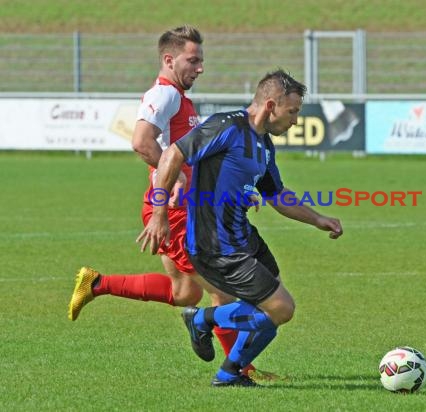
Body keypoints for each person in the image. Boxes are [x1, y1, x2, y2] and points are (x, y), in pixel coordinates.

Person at [67, 25, 264, 377]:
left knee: (186, 292)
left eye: (202, 60)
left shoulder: (178, 98)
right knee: (222, 290)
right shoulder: (165, 95)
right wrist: (175, 183)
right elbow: (142, 142)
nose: (200, 68)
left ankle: (97, 283)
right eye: (193, 60)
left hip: (181, 207)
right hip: (174, 211)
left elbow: (188, 158)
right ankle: (240, 370)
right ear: (169, 59)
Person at [137, 69, 343, 387]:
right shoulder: (227, 126)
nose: (296, 120)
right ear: (271, 105)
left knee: (269, 309)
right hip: (214, 243)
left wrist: (317, 219)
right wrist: (159, 213)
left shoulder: (264, 145)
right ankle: (202, 319)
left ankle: (229, 372)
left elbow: (276, 195)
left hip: (244, 235)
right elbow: (172, 156)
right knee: (281, 308)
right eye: (293, 111)